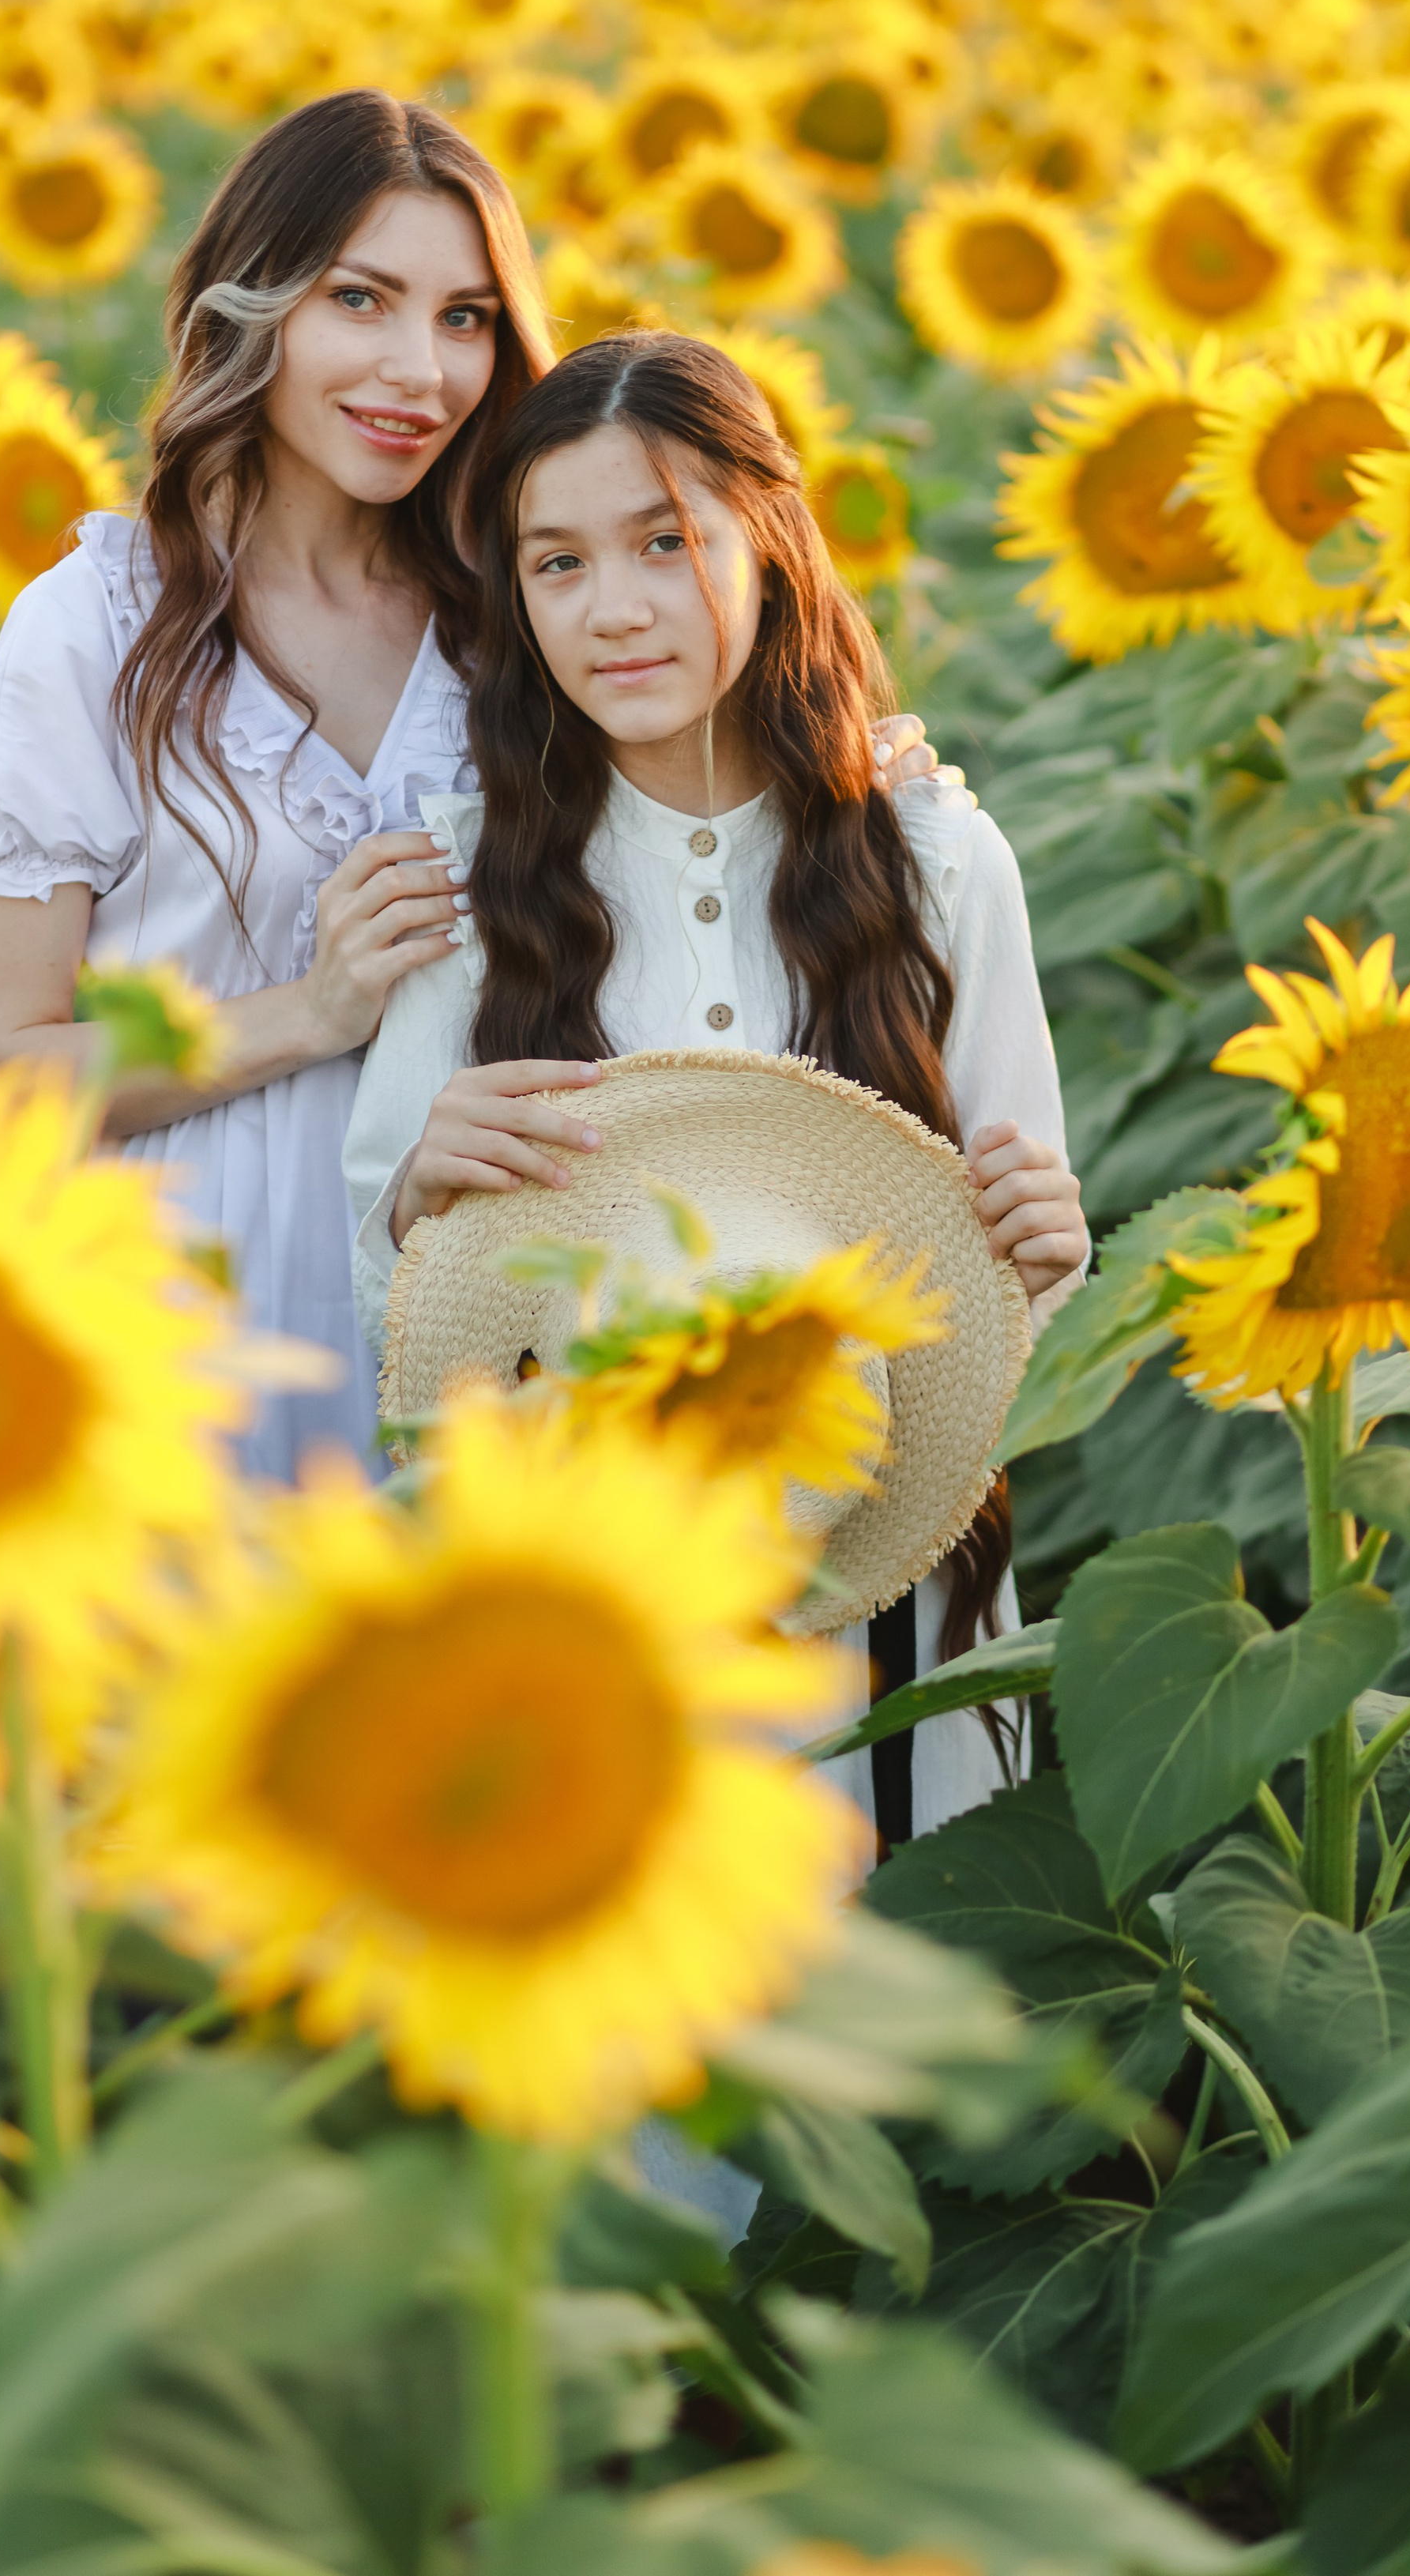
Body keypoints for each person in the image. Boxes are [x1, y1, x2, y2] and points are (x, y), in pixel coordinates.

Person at [0, 92, 947, 1479]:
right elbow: (2, 1064)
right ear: (258, 307)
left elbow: (674, 817)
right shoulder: (101, 623)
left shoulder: (505, 610)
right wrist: (312, 1012)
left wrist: (828, 770)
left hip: (479, 1281)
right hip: (168, 1301)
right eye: (364, 298)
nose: (420, 367)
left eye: (467, 317)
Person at [344, 327, 1088, 1832]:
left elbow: (1015, 1305)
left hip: (886, 1618)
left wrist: (1052, 1243)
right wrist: (424, 1186)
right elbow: (404, 1335)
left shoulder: (942, 864)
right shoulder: (462, 881)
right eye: (556, 564)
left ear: (772, 541)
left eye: (665, 541)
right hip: (592, 1624)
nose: (612, 608)